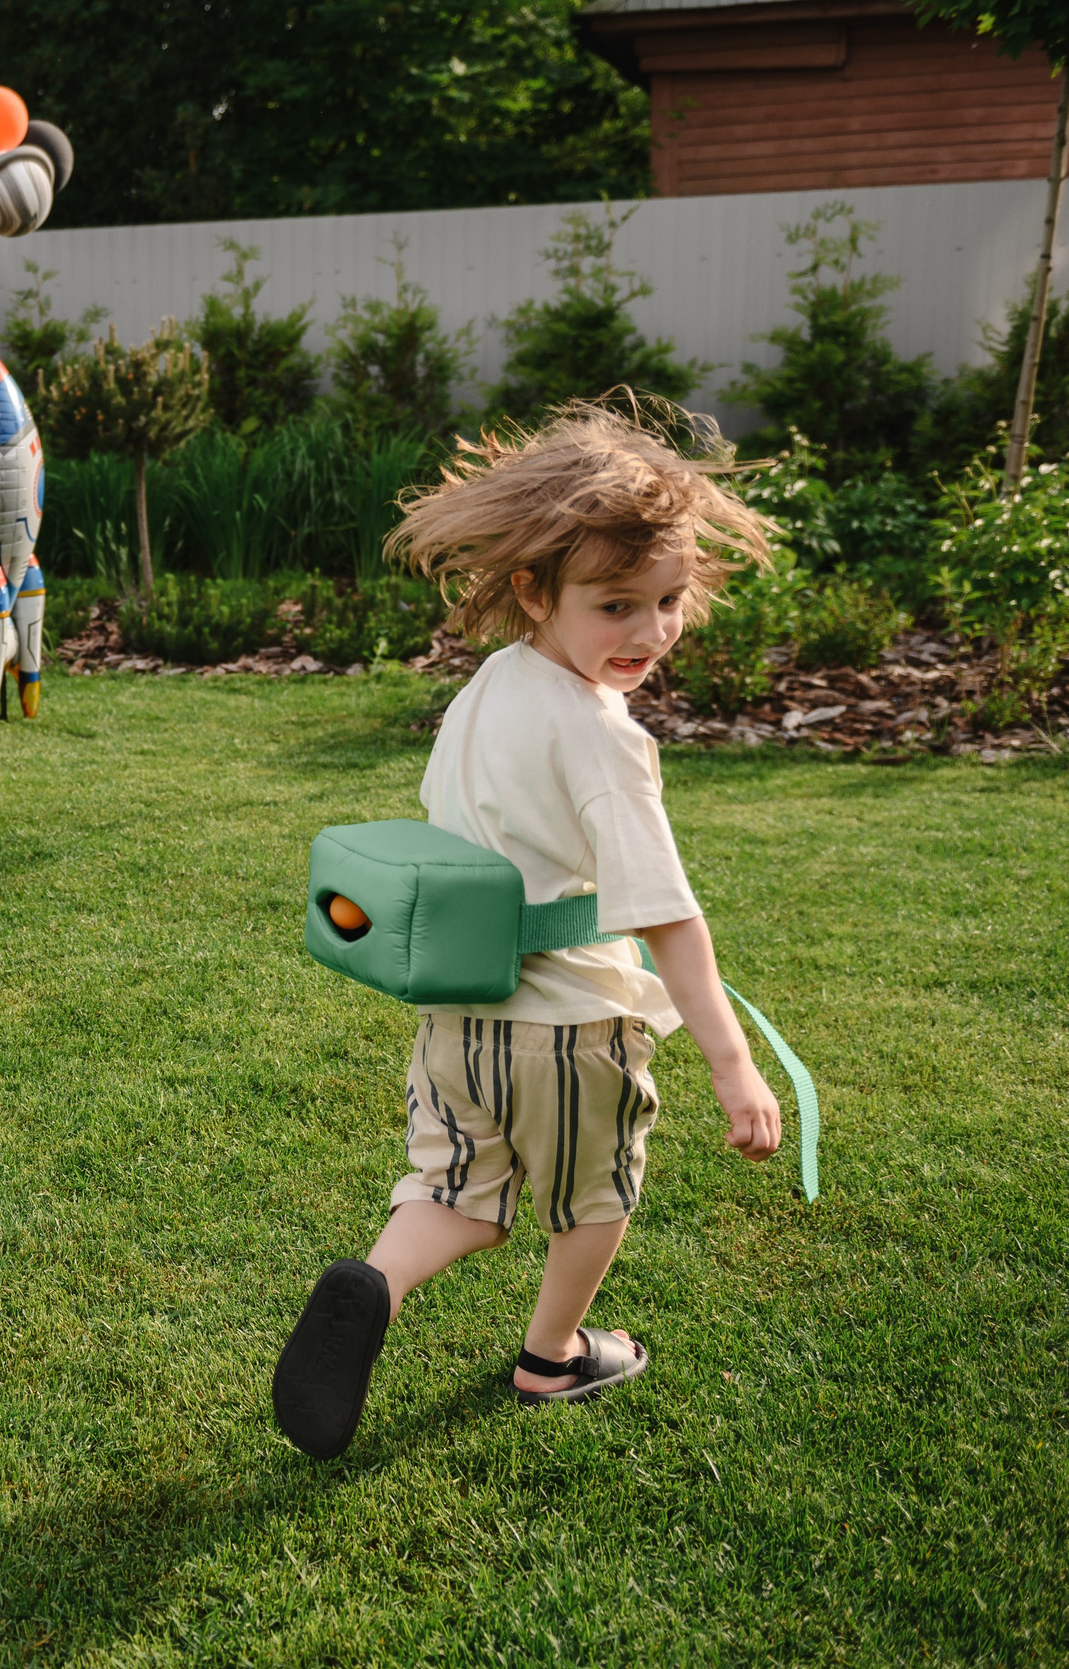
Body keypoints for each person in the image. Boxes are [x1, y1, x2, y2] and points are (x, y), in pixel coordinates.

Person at [271, 402, 786, 1460]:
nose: (648, 632)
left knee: (460, 1189)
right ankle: (551, 1353)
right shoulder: (602, 737)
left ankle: (377, 1280)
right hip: (574, 1027)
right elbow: (672, 922)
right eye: (615, 606)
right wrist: (737, 1072)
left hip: (462, 1012)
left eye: (668, 600)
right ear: (531, 590)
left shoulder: (488, 689)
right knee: (594, 1195)